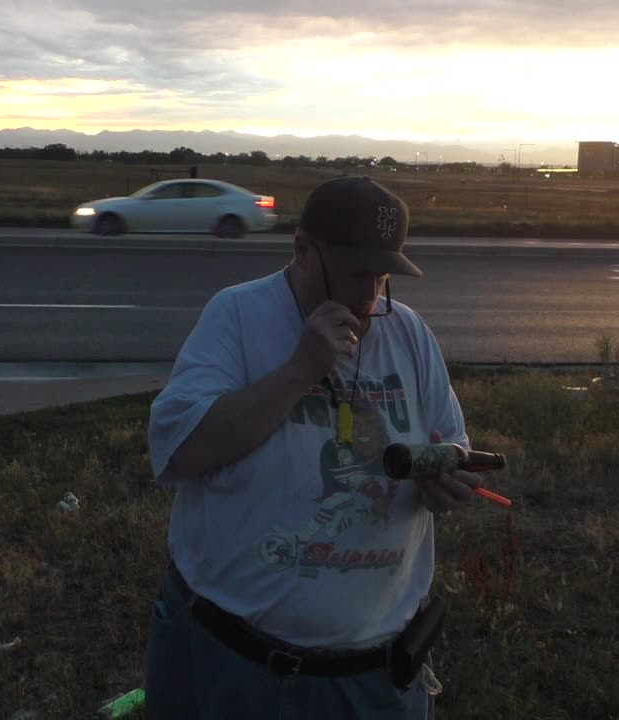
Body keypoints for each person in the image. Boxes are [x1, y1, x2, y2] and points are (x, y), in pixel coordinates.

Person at [145, 176, 484, 719]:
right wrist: (302, 368)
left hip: (376, 676)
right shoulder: (237, 315)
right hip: (239, 665)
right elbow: (179, 451)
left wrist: (444, 478)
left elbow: (451, 440)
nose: (371, 291)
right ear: (303, 249)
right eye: (354, 271)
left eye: (384, 272)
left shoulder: (410, 334)